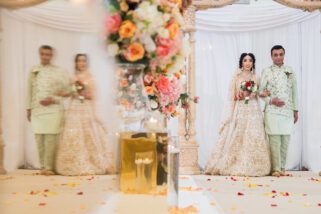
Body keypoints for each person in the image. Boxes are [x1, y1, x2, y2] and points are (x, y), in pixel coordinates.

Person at [205, 53, 271, 176]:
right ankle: (235, 162)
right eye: (245, 60)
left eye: (250, 60)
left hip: (253, 109)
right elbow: (232, 95)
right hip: (241, 109)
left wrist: (261, 93)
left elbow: (258, 93)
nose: (247, 63)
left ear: (253, 63)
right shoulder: (236, 77)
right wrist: (239, 95)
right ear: (241, 62)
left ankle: (256, 164)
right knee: (238, 134)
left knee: (254, 134)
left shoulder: (256, 77)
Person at [55, 54, 114, 176]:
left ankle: (90, 162)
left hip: (86, 108)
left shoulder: (91, 78)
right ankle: (72, 163)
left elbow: (93, 96)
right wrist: (68, 92)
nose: (81, 63)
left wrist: (84, 94)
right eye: (79, 61)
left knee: (88, 134)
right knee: (73, 134)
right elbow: (69, 93)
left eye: (84, 61)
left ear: (87, 63)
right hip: (74, 107)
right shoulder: (72, 77)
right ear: (76, 63)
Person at [26, 45, 69, 176]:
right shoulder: (34, 70)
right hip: (37, 109)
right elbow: (29, 90)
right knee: (39, 137)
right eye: (43, 54)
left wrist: (53, 99)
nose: (45, 56)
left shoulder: (59, 71)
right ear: (39, 54)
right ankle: (43, 166)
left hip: (53, 109)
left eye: (48, 54)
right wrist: (28, 108)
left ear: (52, 56)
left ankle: (49, 167)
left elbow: (67, 92)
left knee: (51, 138)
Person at [259, 45, 299, 177]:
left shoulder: (290, 71)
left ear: (284, 55)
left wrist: (296, 110)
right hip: (272, 110)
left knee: (285, 139)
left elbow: (294, 92)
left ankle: (282, 168)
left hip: (287, 111)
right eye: (275, 55)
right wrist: (271, 100)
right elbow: (260, 92)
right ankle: (275, 168)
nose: (278, 57)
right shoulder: (267, 71)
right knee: (274, 140)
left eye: (281, 54)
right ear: (271, 57)